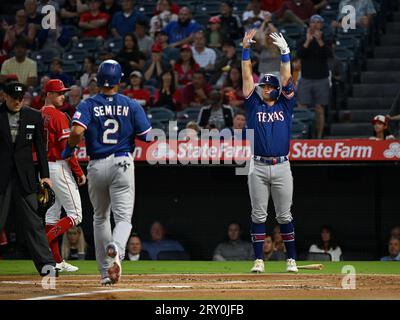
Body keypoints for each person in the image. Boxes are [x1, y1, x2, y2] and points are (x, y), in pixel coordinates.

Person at [62, 59, 152, 285]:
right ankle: (117, 248)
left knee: (100, 218)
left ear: (98, 80)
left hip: (96, 164)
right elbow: (148, 135)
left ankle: (104, 273)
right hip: (122, 162)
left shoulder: (88, 104)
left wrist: (71, 147)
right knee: (123, 220)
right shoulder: (130, 104)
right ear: (119, 80)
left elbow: (76, 130)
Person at [241, 29, 298, 273]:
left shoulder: (285, 103)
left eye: (266, 86)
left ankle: (291, 260)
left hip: (282, 164)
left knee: (285, 216)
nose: (263, 89)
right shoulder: (254, 104)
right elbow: (246, 77)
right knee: (258, 215)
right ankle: (258, 261)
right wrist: (245, 50)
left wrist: (285, 53)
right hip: (258, 164)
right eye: (262, 86)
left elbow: (286, 78)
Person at [0, 82, 56, 276]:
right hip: (1, 178)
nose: (17, 101)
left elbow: (41, 149)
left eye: (21, 98)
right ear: (4, 96)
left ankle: (47, 266)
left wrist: (45, 176)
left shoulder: (34, 116)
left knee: (34, 224)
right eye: (14, 97)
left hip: (25, 178)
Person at [40, 79, 86, 272]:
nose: (62, 96)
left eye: (63, 92)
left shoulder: (38, 114)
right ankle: (42, 244)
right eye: (58, 93)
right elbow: (68, 149)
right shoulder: (58, 116)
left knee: (52, 217)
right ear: (48, 94)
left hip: (44, 169)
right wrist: (78, 171)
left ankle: (57, 262)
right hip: (58, 167)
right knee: (76, 215)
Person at [296, 14, 332, 139]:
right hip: (306, 78)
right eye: (313, 22)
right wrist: (307, 40)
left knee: (319, 108)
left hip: (321, 78)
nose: (315, 24)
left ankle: (319, 136)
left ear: (321, 25)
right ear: (309, 24)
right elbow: (299, 54)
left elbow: (328, 54)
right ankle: (304, 136)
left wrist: (320, 41)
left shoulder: (326, 38)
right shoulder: (302, 39)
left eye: (318, 22)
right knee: (303, 106)